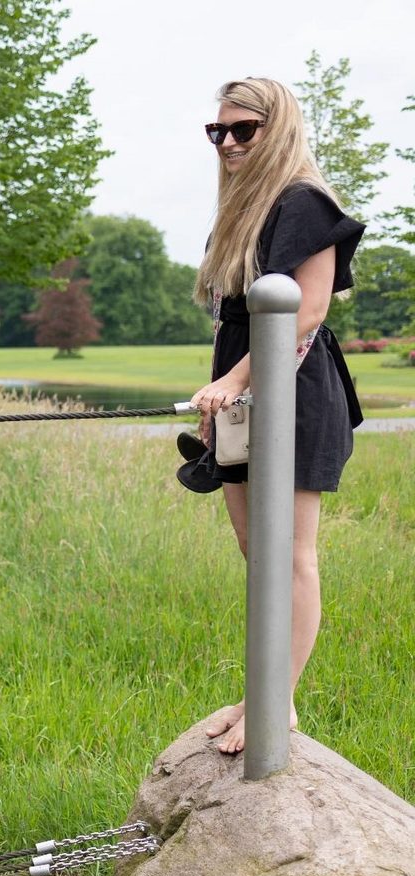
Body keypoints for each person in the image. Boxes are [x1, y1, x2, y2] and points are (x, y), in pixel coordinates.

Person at [190, 77, 365, 755]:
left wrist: (234, 382)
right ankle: (262, 690)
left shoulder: (304, 200)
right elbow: (233, 318)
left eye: (243, 130)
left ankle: (278, 703)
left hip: (291, 386)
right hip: (241, 386)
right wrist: (218, 397)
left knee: (290, 554)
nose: (228, 142)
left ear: (278, 127)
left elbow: (308, 308)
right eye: (218, 131)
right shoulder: (243, 206)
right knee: (254, 551)